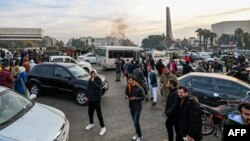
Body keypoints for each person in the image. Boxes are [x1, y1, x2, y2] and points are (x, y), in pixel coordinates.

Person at [85, 69, 106, 136]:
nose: (92, 75)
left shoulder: (98, 80)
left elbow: (98, 88)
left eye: (94, 73)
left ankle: (103, 127)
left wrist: (93, 81)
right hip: (90, 100)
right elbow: (88, 88)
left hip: (96, 100)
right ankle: (91, 124)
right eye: (91, 73)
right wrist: (87, 96)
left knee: (99, 114)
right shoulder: (90, 79)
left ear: (96, 73)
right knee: (90, 113)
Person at [125, 76, 145, 141]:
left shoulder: (139, 87)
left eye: (130, 80)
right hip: (131, 106)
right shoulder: (128, 86)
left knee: (136, 122)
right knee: (134, 122)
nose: (129, 81)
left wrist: (135, 98)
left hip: (137, 107)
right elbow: (126, 93)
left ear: (134, 80)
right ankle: (137, 133)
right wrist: (126, 96)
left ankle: (140, 136)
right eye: (128, 80)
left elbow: (143, 97)